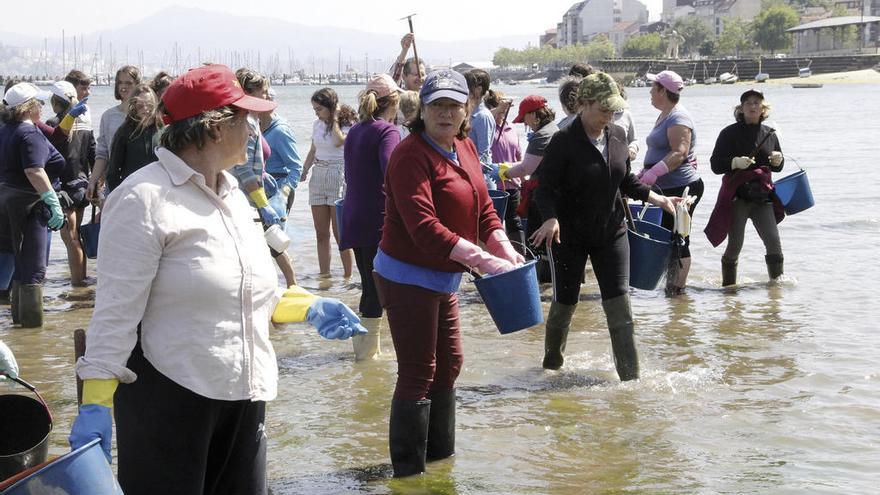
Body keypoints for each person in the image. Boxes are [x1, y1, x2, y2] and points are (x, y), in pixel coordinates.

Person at [68, 64, 365, 495]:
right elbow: (115, 314)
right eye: (245, 119)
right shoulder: (143, 198)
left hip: (243, 395)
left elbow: (246, 290)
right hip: (170, 396)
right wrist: (95, 403)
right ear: (212, 128)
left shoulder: (233, 195)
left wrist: (308, 306)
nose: (254, 132)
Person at [373, 69, 523, 477]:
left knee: (451, 362)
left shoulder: (466, 147)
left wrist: (502, 246)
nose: (445, 112)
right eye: (437, 104)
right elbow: (424, 229)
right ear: (422, 109)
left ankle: (440, 463)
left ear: (467, 109)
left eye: (454, 105)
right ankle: (408, 473)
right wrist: (481, 260)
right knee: (418, 368)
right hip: (406, 275)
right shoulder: (409, 156)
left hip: (445, 275)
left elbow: (485, 208)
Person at [531, 72, 682, 379]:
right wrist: (550, 218)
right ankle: (550, 368)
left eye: (613, 110)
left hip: (611, 232)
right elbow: (543, 188)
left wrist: (659, 199)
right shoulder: (563, 142)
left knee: (620, 308)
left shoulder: (616, 135)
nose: (608, 116)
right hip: (568, 237)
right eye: (602, 110)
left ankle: (630, 382)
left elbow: (625, 179)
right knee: (564, 304)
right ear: (583, 105)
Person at [341, 74, 402, 361]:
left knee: (369, 284)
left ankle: (366, 353)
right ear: (394, 102)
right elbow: (393, 173)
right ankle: (369, 356)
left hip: (354, 216)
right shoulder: (387, 132)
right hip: (379, 218)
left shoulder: (355, 130)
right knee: (384, 289)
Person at [0, 83, 67, 327]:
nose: (41, 105)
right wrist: (52, 201)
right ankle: (31, 329)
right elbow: (34, 170)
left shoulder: (7, 130)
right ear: (28, 108)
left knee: (20, 265)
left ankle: (20, 332)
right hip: (30, 205)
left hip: (8, 202)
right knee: (34, 270)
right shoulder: (28, 134)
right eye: (38, 102)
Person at [705, 89, 785, 285]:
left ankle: (776, 291)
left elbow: (779, 166)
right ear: (741, 108)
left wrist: (778, 160)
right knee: (735, 246)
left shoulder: (770, 134)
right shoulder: (728, 133)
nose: (752, 106)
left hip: (763, 197)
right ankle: (729, 289)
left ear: (763, 108)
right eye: (748, 103)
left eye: (757, 102)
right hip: (737, 198)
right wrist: (734, 162)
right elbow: (715, 165)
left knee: (774, 242)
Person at [638, 70, 703, 295]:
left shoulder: (678, 117)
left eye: (653, 87)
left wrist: (653, 173)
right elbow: (660, 150)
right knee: (668, 236)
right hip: (665, 187)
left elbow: (680, 152)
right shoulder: (665, 114)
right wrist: (642, 172)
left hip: (682, 187)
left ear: (663, 91)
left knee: (678, 237)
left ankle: (676, 290)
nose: (649, 91)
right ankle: (671, 288)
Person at [232, 68, 298, 287]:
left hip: (255, 195)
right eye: (264, 93)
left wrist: (266, 175)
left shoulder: (253, 121)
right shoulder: (247, 123)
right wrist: (262, 204)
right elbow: (242, 167)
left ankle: (288, 288)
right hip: (247, 200)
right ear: (250, 94)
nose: (267, 97)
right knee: (264, 249)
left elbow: (251, 162)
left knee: (272, 247)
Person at [495, 95, 558, 281]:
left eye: (524, 119)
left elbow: (526, 168)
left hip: (543, 197)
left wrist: (503, 173)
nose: (525, 124)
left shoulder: (541, 136)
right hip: (557, 195)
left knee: (536, 241)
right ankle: (551, 282)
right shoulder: (555, 129)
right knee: (551, 243)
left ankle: (536, 282)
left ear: (534, 115)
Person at [43, 80, 94, 286]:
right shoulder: (84, 122)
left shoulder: (53, 124)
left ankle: (77, 283)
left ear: (55, 102)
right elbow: (92, 152)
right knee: (77, 236)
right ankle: (82, 280)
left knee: (70, 239)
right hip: (81, 185)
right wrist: (95, 183)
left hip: (63, 188)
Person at [300, 87, 355, 278]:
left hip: (338, 174)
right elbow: (313, 150)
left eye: (319, 109)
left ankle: (348, 277)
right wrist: (305, 170)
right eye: (314, 109)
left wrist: (336, 119)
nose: (316, 113)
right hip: (319, 174)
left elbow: (339, 141)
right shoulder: (317, 125)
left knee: (340, 234)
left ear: (331, 107)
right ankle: (324, 276)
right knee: (321, 233)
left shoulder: (348, 124)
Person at [87, 65, 141, 202]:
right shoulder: (108, 116)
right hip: (115, 181)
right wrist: (93, 181)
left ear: (138, 85)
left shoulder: (146, 115)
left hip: (141, 182)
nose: (124, 87)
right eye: (120, 83)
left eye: (128, 83)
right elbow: (102, 153)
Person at [484, 90, 523, 248]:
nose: (503, 112)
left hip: (513, 184)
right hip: (495, 187)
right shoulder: (486, 125)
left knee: (515, 222)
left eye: (505, 109)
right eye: (500, 109)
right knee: (495, 225)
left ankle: (521, 255)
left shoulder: (511, 128)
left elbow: (520, 157)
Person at [105, 84, 163, 192]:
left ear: (155, 104)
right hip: (132, 193)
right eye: (140, 105)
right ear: (134, 106)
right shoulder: (124, 132)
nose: (145, 109)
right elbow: (113, 172)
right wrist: (120, 195)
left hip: (159, 191)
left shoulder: (163, 131)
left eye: (149, 105)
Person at [261, 85, 303, 215]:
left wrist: (283, 195)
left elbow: (296, 168)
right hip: (258, 190)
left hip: (277, 192)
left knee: (275, 234)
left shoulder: (281, 131)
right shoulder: (254, 127)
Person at [463, 69, 496, 189]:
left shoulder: (483, 117)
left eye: (466, 86)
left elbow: (484, 154)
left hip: (480, 181)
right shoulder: (468, 114)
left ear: (478, 90)